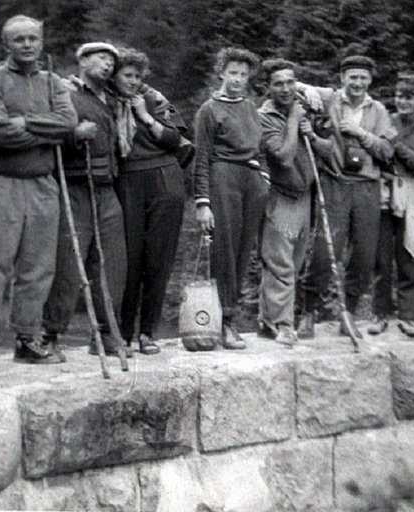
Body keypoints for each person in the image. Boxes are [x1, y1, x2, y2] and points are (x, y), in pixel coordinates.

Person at [0, 15, 77, 371]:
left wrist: (27, 122)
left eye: (33, 38)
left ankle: (27, 339)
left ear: (42, 43)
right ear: (6, 45)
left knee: (38, 266)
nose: (27, 45)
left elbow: (68, 122)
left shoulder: (53, 82)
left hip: (43, 182)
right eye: (19, 40)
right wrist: (48, 133)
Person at [295, 54, 396, 338]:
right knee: (327, 252)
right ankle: (308, 312)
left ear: (370, 80)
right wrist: (310, 91)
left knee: (364, 256)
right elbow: (295, 85)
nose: (358, 83)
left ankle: (347, 312)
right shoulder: (331, 99)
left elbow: (388, 151)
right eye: (353, 77)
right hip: (335, 183)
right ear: (342, 79)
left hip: (367, 188)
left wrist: (361, 133)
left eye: (363, 77)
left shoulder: (378, 110)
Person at [41, 42, 130, 358]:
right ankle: (48, 335)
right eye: (101, 58)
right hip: (76, 188)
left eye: (111, 61)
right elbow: (47, 135)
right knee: (68, 263)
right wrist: (74, 135)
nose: (108, 65)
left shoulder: (114, 100)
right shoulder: (63, 94)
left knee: (113, 264)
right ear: (81, 59)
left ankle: (106, 334)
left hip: (107, 190)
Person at [112, 47, 187, 355]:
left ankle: (148, 332)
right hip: (127, 180)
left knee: (159, 258)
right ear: (114, 76)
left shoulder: (154, 99)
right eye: (126, 75)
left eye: (137, 76)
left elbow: (175, 139)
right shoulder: (105, 100)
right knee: (128, 259)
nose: (132, 81)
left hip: (164, 178)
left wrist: (144, 115)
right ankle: (123, 332)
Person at [193, 47, 267, 349]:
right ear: (221, 72)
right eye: (233, 73)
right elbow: (202, 157)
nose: (238, 79)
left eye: (244, 74)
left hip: (251, 180)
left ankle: (229, 318)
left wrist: (264, 179)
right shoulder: (209, 110)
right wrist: (203, 201)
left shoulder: (250, 107)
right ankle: (224, 321)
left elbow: (259, 149)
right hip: (223, 177)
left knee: (243, 249)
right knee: (225, 250)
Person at [367, 73, 414, 338]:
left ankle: (407, 317)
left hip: (413, 193)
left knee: (410, 254)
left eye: (409, 97)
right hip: (384, 192)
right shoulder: (387, 120)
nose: (403, 102)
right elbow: (376, 152)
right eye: (399, 96)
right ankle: (379, 314)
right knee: (381, 257)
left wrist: (398, 147)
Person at [255, 59, 319, 346]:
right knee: (280, 262)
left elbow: (326, 148)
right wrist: (293, 119)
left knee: (294, 261)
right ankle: (283, 325)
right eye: (278, 83)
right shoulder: (264, 117)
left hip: (306, 197)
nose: (285, 88)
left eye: (291, 82)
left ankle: (267, 321)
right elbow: (283, 156)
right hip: (281, 196)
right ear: (268, 88)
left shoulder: (303, 106)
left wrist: (309, 128)